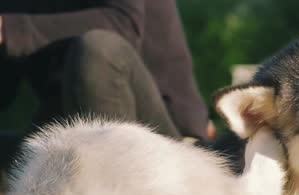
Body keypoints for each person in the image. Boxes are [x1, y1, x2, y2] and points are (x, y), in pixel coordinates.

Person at [0, 1, 215, 148]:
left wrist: (8, 30)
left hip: (162, 140)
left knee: (98, 49)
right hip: (61, 135)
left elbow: (122, 23)